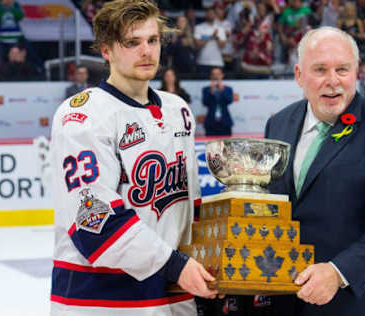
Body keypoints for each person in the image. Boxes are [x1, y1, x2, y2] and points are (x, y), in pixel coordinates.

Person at [49, 1, 218, 315]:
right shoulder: (82, 114)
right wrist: (175, 265)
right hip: (103, 301)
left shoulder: (177, 109)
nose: (147, 51)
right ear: (106, 50)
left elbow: (190, 205)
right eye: (132, 42)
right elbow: (92, 219)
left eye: (152, 40)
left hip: (176, 296)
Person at [264, 27, 365, 316]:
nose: (332, 81)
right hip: (291, 300)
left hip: (364, 304)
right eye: (320, 69)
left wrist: (338, 272)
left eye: (342, 69)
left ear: (356, 72)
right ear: (299, 75)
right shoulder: (279, 124)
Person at [202, 67, 234, 136]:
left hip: (225, 122)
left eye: (218, 74)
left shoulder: (228, 89)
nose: (216, 76)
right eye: (214, 74)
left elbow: (230, 100)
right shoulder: (206, 89)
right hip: (211, 123)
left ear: (222, 75)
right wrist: (211, 92)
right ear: (210, 76)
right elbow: (205, 102)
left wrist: (223, 90)